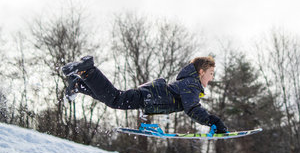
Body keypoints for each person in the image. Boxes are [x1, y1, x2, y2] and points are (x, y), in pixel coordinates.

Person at [61, 55, 227, 133]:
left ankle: (79, 84)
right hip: (149, 96)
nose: (212, 77)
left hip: (149, 96)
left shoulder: (189, 82)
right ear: (201, 72)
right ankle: (88, 70)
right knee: (116, 99)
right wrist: (214, 122)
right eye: (211, 73)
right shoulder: (192, 84)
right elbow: (192, 108)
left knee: (115, 100)